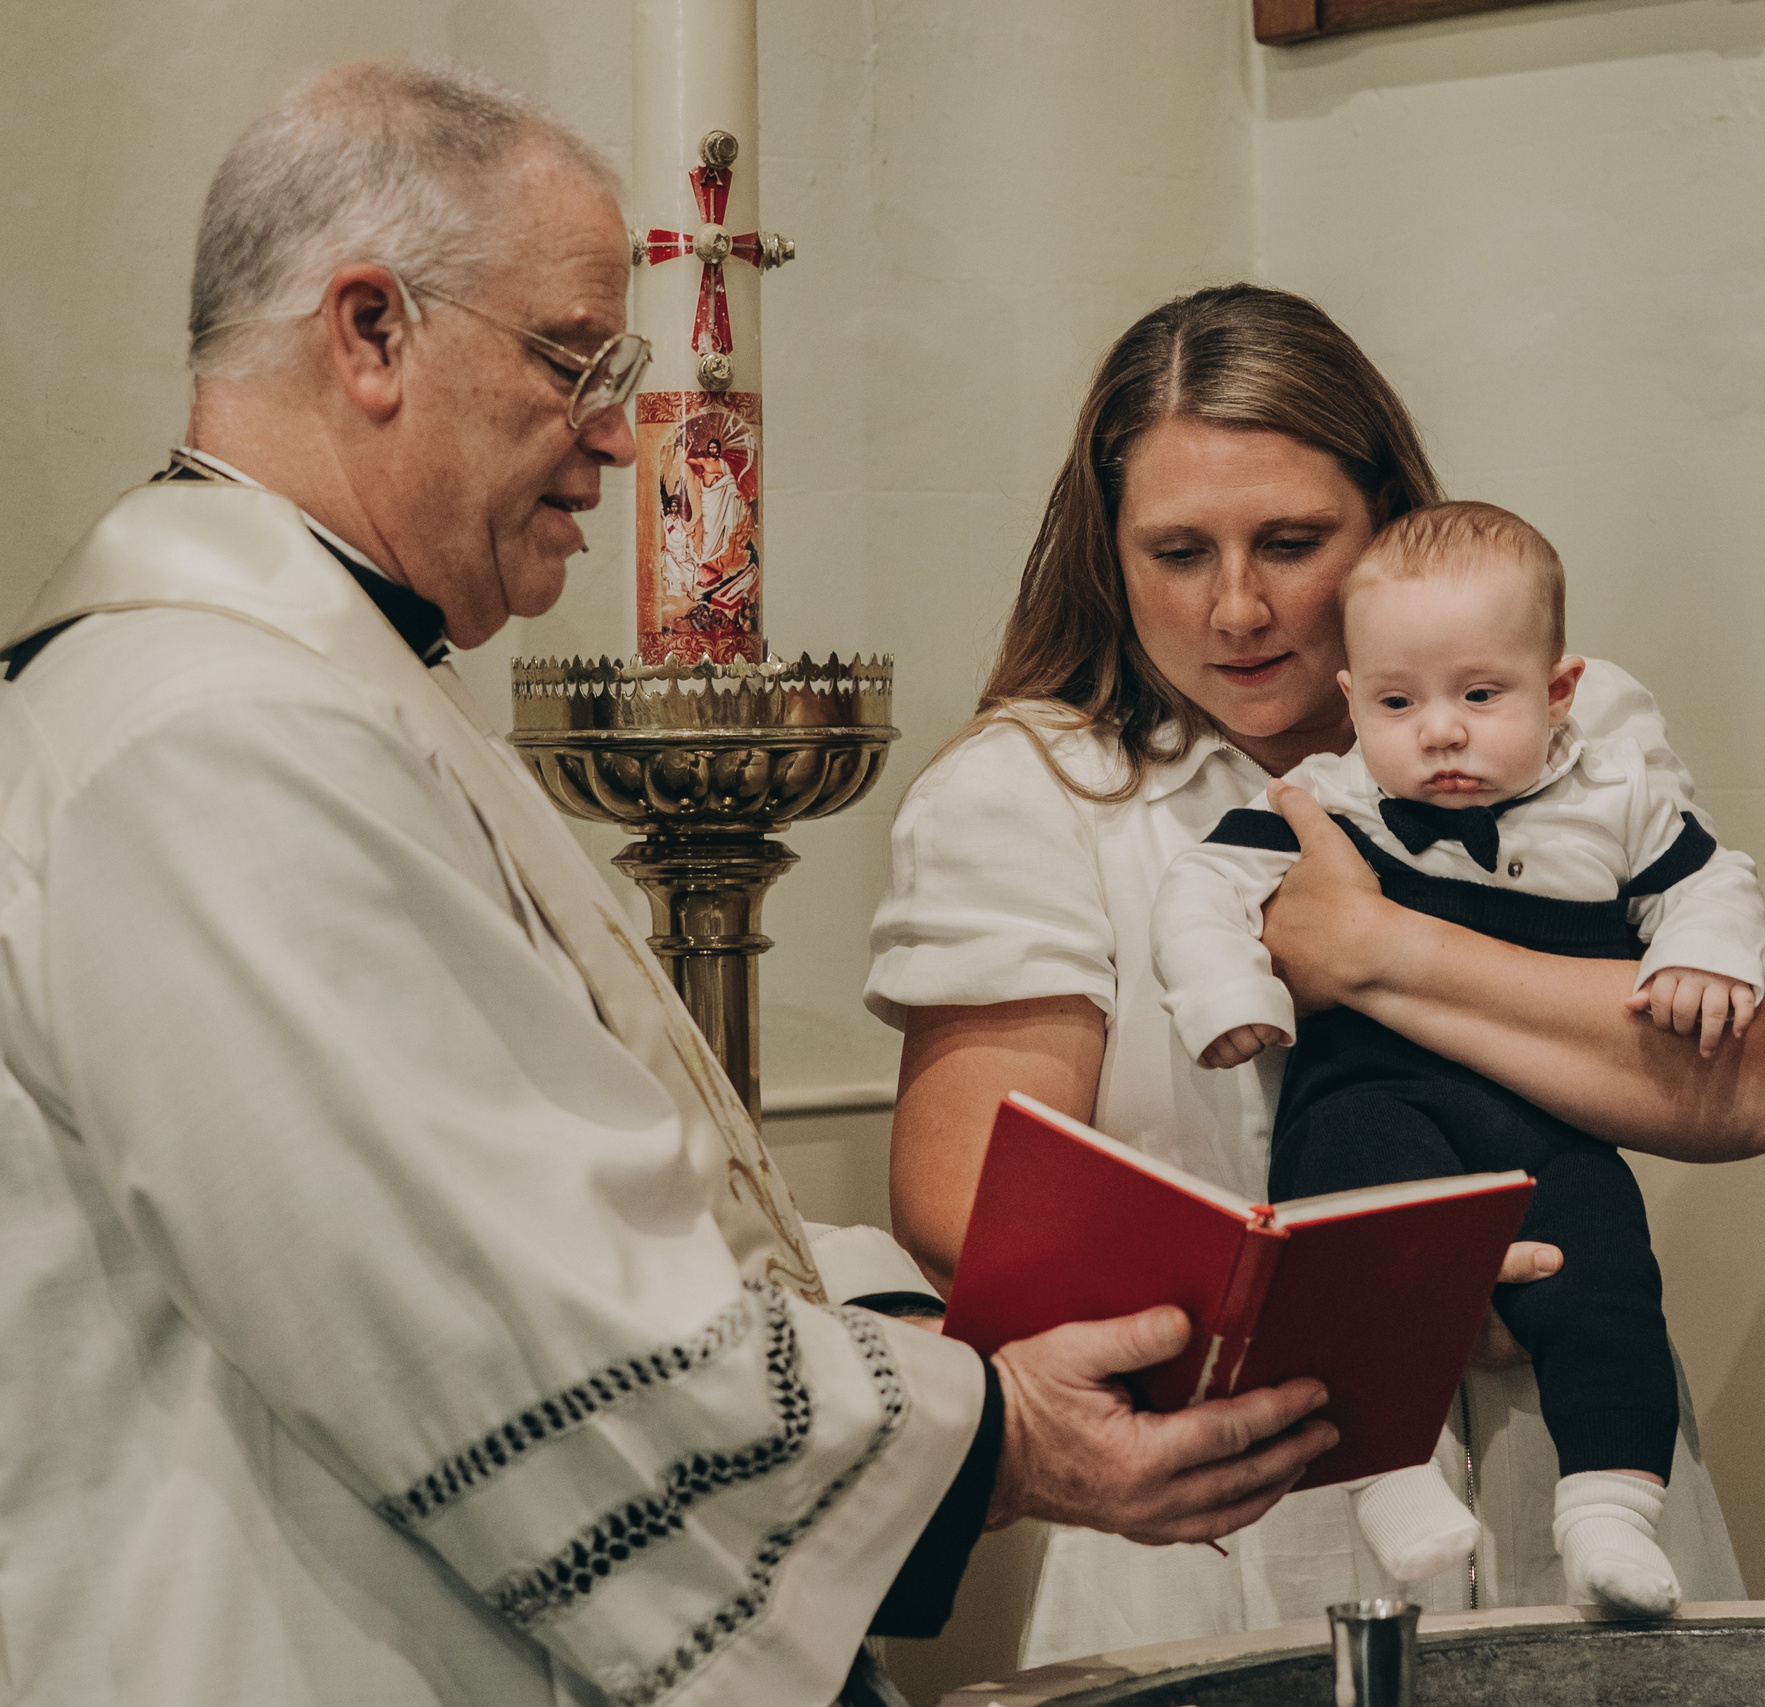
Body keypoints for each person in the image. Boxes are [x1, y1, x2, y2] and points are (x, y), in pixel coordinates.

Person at [0, 63, 1337, 1707]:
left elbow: (591, 1208)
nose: (627, 438)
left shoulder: (299, 693)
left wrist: (932, 1334)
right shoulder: (210, 739)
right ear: (370, 333)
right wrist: (1004, 1431)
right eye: (576, 360)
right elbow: (496, 1315)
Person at [868, 283, 1765, 1666]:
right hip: (1234, 1496)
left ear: (1385, 525)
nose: (1236, 606)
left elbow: (1751, 1086)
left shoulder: (1560, 719)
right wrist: (1381, 1298)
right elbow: (966, 1202)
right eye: (1176, 550)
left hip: (1570, 1456)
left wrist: (1378, 947)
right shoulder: (1032, 788)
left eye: (1292, 543)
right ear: (1107, 555)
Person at [1150, 500, 1765, 1616]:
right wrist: (1228, 994)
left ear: (1559, 692)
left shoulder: (1617, 796)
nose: (1438, 732)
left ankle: (1608, 1510)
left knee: (1607, 1278)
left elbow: (1713, 882)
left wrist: (1700, 956)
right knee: (1350, 1234)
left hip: (1547, 1114)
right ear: (1353, 703)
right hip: (1368, 1091)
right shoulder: (1330, 797)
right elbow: (1201, 892)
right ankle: (1388, 1476)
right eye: (1398, 703)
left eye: (1478, 698)